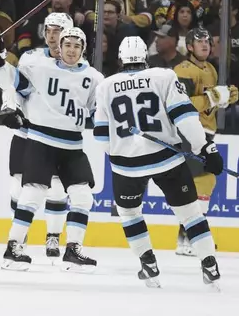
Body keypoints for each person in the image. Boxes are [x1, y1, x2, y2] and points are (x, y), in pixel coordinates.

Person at [93, 36, 224, 289]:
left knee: (129, 213)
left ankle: (147, 263)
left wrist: (121, 151)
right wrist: (204, 147)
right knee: (190, 213)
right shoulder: (164, 76)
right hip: (167, 159)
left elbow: (101, 137)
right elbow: (185, 117)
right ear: (145, 57)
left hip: (125, 165)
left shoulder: (105, 86)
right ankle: (209, 264)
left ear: (120, 59)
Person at [0, 27, 103, 272]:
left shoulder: (93, 77)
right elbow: (11, 80)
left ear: (83, 50)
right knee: (32, 194)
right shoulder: (39, 68)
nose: (71, 50)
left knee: (83, 196)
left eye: (76, 46)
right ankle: (14, 247)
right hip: (42, 142)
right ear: (59, 47)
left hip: (73, 145)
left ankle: (73, 249)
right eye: (67, 45)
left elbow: (97, 111)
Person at [2, 12, 74, 258]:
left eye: (58, 30)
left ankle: (53, 237)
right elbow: (15, 87)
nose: (52, 35)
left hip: (56, 137)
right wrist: (11, 107)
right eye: (49, 30)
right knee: (17, 189)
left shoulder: (76, 65)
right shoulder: (30, 58)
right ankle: (18, 237)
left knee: (56, 190)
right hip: (26, 133)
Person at [173, 27, 238, 256]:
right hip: (189, 132)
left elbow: (209, 103)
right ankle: (192, 239)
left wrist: (225, 99)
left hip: (205, 131)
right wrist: (212, 97)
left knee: (201, 185)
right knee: (203, 182)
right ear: (189, 46)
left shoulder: (210, 68)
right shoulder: (183, 70)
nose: (204, 46)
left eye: (207, 42)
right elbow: (182, 105)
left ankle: (185, 239)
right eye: (199, 42)